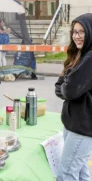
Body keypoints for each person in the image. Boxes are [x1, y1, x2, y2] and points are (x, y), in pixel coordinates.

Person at [55, 13, 92, 181]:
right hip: (73, 124)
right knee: (81, 172)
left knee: (66, 174)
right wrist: (68, 88)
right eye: (74, 32)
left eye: (81, 32)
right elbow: (60, 86)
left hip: (83, 127)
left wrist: (68, 88)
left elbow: (69, 91)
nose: (77, 36)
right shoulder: (80, 55)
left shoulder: (90, 58)